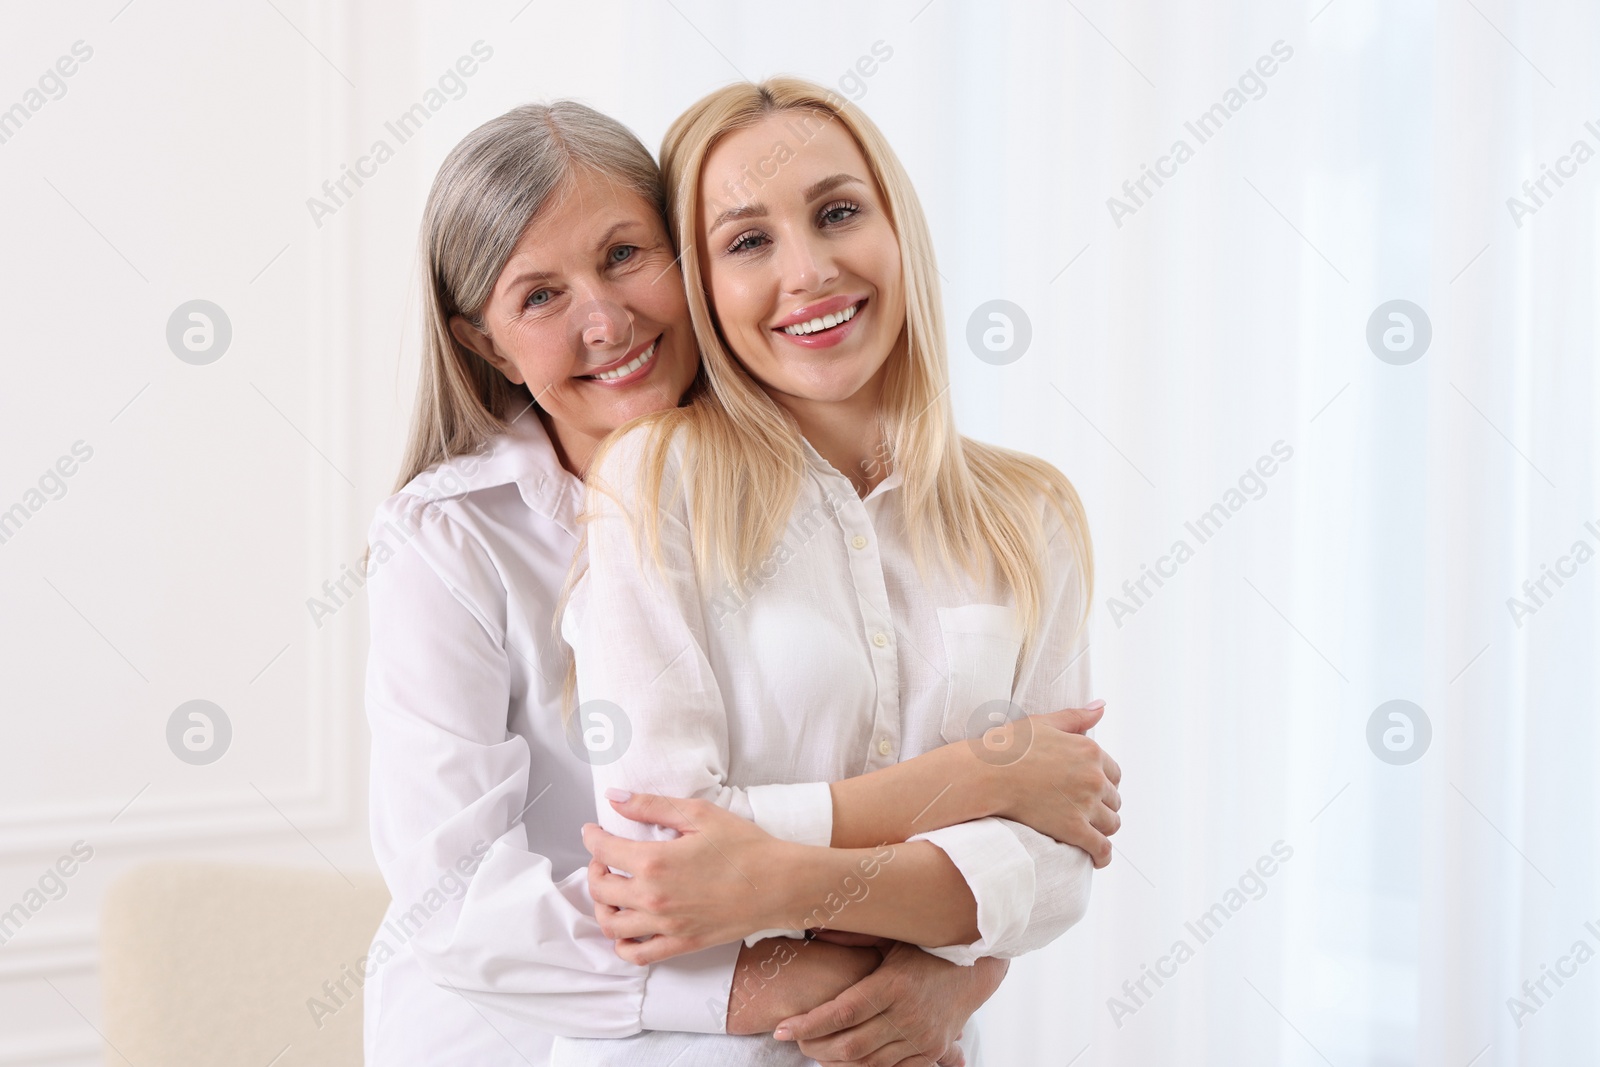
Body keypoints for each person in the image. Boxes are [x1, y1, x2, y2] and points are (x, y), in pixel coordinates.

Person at [365, 99, 1119, 1067]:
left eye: (626, 255)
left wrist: (959, 964)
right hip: (518, 1035)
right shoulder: (451, 537)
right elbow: (472, 903)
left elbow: (1039, 855)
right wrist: (967, 787)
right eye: (539, 296)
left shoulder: (843, 488)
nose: (606, 319)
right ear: (485, 343)